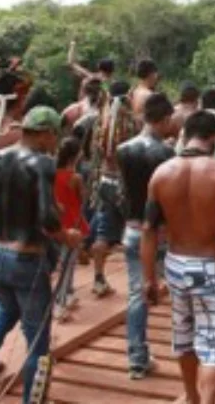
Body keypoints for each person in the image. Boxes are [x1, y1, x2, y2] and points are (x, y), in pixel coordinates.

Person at [0, 106, 84, 403]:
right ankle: (33, 399)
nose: (55, 144)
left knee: (5, 313)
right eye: (55, 137)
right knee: (38, 339)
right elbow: (48, 219)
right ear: (46, 134)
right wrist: (68, 236)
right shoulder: (41, 164)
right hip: (27, 259)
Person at [141, 110, 215, 404]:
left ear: (185, 134)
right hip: (211, 268)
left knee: (183, 338)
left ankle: (193, 397)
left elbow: (148, 230)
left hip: (175, 264)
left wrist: (149, 279)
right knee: (214, 346)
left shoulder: (161, 174)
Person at [116, 93, 179, 379]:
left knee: (136, 294)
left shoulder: (123, 149)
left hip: (132, 228)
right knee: (179, 288)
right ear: (164, 119)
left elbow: (124, 191)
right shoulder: (166, 154)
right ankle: (187, 349)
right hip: (160, 231)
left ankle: (137, 358)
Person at [88, 81, 138, 297]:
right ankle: (141, 278)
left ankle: (98, 277)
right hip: (125, 185)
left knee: (103, 232)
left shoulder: (101, 121)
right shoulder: (132, 123)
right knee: (137, 229)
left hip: (105, 181)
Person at [52, 137, 90, 322]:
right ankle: (58, 303)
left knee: (66, 261)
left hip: (57, 222)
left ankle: (67, 294)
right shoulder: (75, 178)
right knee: (68, 263)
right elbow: (82, 199)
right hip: (72, 222)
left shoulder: (50, 173)